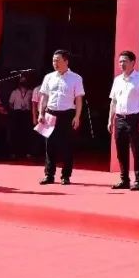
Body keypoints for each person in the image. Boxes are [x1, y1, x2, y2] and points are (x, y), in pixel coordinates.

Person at [38, 50, 84, 185]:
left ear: (66, 61)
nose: (55, 63)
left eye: (57, 60)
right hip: (51, 114)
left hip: (67, 114)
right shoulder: (49, 77)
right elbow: (44, 97)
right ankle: (49, 175)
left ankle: (65, 175)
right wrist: (41, 113)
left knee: (67, 146)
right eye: (53, 60)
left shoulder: (76, 78)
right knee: (49, 146)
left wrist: (77, 116)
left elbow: (79, 99)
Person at [108, 50, 139, 191]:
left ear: (133, 62)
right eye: (120, 61)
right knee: (121, 151)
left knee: (137, 150)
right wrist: (110, 120)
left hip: (134, 118)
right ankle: (124, 179)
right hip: (120, 118)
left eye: (125, 61)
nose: (122, 64)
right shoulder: (117, 80)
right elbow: (113, 101)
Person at [8, 76, 34, 159]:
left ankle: (28, 152)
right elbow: (10, 103)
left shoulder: (30, 92)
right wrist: (14, 111)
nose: (23, 83)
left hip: (27, 114)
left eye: (24, 81)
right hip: (17, 114)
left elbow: (33, 103)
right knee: (16, 133)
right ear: (19, 83)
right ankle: (15, 152)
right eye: (22, 81)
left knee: (27, 133)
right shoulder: (14, 92)